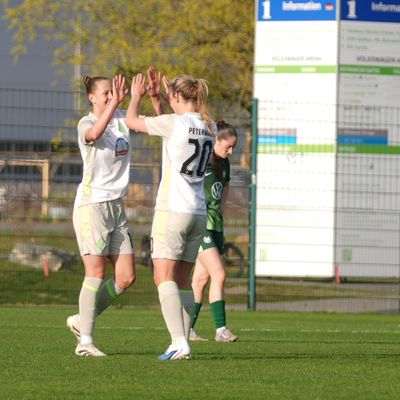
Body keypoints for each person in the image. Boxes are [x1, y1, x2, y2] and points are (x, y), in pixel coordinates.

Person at [125, 70, 215, 360]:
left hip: (172, 210)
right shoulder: (209, 124)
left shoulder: (174, 123)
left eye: (171, 97)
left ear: (176, 96)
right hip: (198, 212)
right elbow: (173, 132)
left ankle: (178, 342)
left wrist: (136, 97)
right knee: (183, 280)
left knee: (163, 276)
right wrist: (159, 99)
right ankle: (183, 340)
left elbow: (131, 121)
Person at [66, 74, 136, 357]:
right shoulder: (85, 123)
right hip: (92, 206)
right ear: (91, 97)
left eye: (112, 91)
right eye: (105, 93)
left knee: (126, 277)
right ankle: (85, 342)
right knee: (95, 273)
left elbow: (145, 123)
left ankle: (82, 320)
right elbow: (94, 134)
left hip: (116, 206)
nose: (110, 95)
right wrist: (114, 104)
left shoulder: (121, 117)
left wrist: (145, 96)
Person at [190, 120, 238, 342]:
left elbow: (226, 185)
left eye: (233, 147)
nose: (231, 151)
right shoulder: (203, 161)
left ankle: (187, 329)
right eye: (228, 146)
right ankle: (221, 330)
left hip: (216, 225)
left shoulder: (224, 163)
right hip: (202, 225)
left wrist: (223, 206)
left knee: (200, 280)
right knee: (219, 274)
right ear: (215, 140)